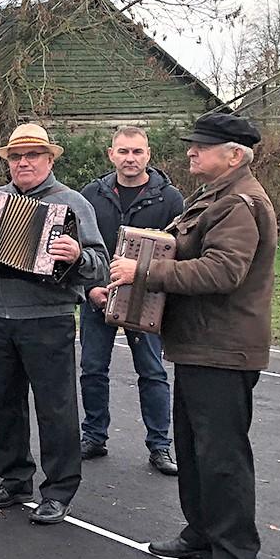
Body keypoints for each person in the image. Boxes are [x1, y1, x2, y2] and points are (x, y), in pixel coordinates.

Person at [110, 114, 275, 559]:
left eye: (202, 147)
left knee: (222, 457)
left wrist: (144, 272)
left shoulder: (240, 203)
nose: (190, 153)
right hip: (202, 345)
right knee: (195, 449)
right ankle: (202, 535)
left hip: (224, 348)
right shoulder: (215, 197)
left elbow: (223, 272)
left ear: (234, 155)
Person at [0, 123, 106, 526]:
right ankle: (15, 478)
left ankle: (58, 491)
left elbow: (99, 265)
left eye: (32, 156)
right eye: (16, 157)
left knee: (55, 407)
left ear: (49, 159)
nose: (23, 163)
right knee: (4, 403)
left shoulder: (72, 203)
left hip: (48, 318)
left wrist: (77, 254)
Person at [79, 125, 184, 475]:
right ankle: (94, 436)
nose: (130, 158)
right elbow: (79, 249)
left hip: (147, 296)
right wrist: (90, 289)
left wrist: (148, 280)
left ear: (148, 155)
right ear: (111, 154)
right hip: (97, 295)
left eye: (137, 151)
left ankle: (160, 446)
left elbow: (178, 254)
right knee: (93, 369)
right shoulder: (91, 195)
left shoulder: (170, 199)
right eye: (123, 151)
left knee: (152, 372)